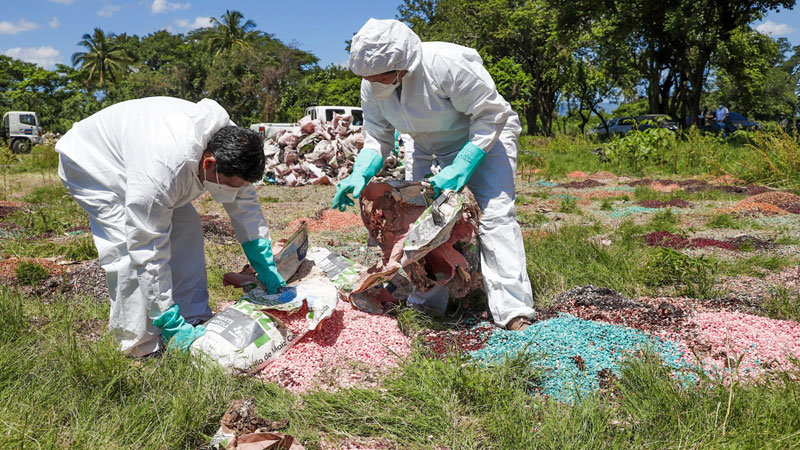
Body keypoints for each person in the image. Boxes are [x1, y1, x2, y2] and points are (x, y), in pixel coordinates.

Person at [332, 19, 536, 331]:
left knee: (494, 216)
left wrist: (461, 166)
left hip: (484, 137)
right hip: (425, 144)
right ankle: (429, 297)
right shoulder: (373, 84)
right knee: (419, 220)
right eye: (369, 77)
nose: (375, 82)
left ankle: (513, 310)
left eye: (382, 76)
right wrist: (360, 172)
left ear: (405, 65)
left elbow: (490, 114)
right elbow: (377, 135)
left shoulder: (446, 64)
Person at [56, 97, 285, 357]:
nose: (235, 192)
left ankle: (193, 317)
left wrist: (263, 260)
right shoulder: (161, 172)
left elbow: (246, 204)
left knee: (187, 228)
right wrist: (166, 317)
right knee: (127, 250)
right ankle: (141, 345)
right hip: (95, 163)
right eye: (231, 185)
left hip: (143, 154)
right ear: (209, 164)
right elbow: (147, 248)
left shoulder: (231, 143)